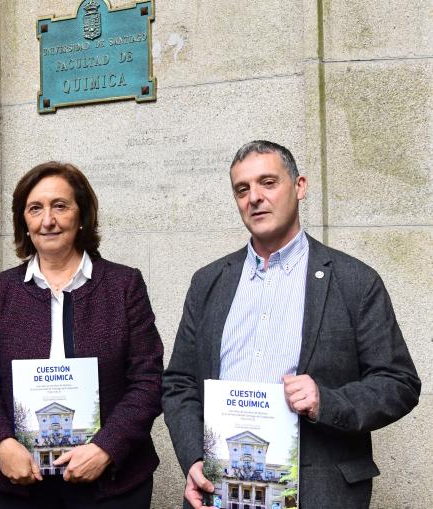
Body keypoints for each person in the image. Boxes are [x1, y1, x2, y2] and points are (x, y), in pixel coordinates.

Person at [162, 140, 421, 508]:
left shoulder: (354, 281)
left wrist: (324, 401)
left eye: (268, 182)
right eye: (242, 189)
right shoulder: (209, 282)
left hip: (320, 492)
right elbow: (179, 383)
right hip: (221, 489)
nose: (254, 197)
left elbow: (399, 383)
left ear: (299, 187)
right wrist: (193, 459)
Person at [0, 162, 163, 509]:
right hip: (21, 485)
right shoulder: (0, 291)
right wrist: (1, 444)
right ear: (24, 222)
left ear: (82, 214)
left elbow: (147, 380)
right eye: (35, 208)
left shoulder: (122, 285)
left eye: (60, 205)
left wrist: (106, 448)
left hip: (111, 485)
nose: (48, 220)